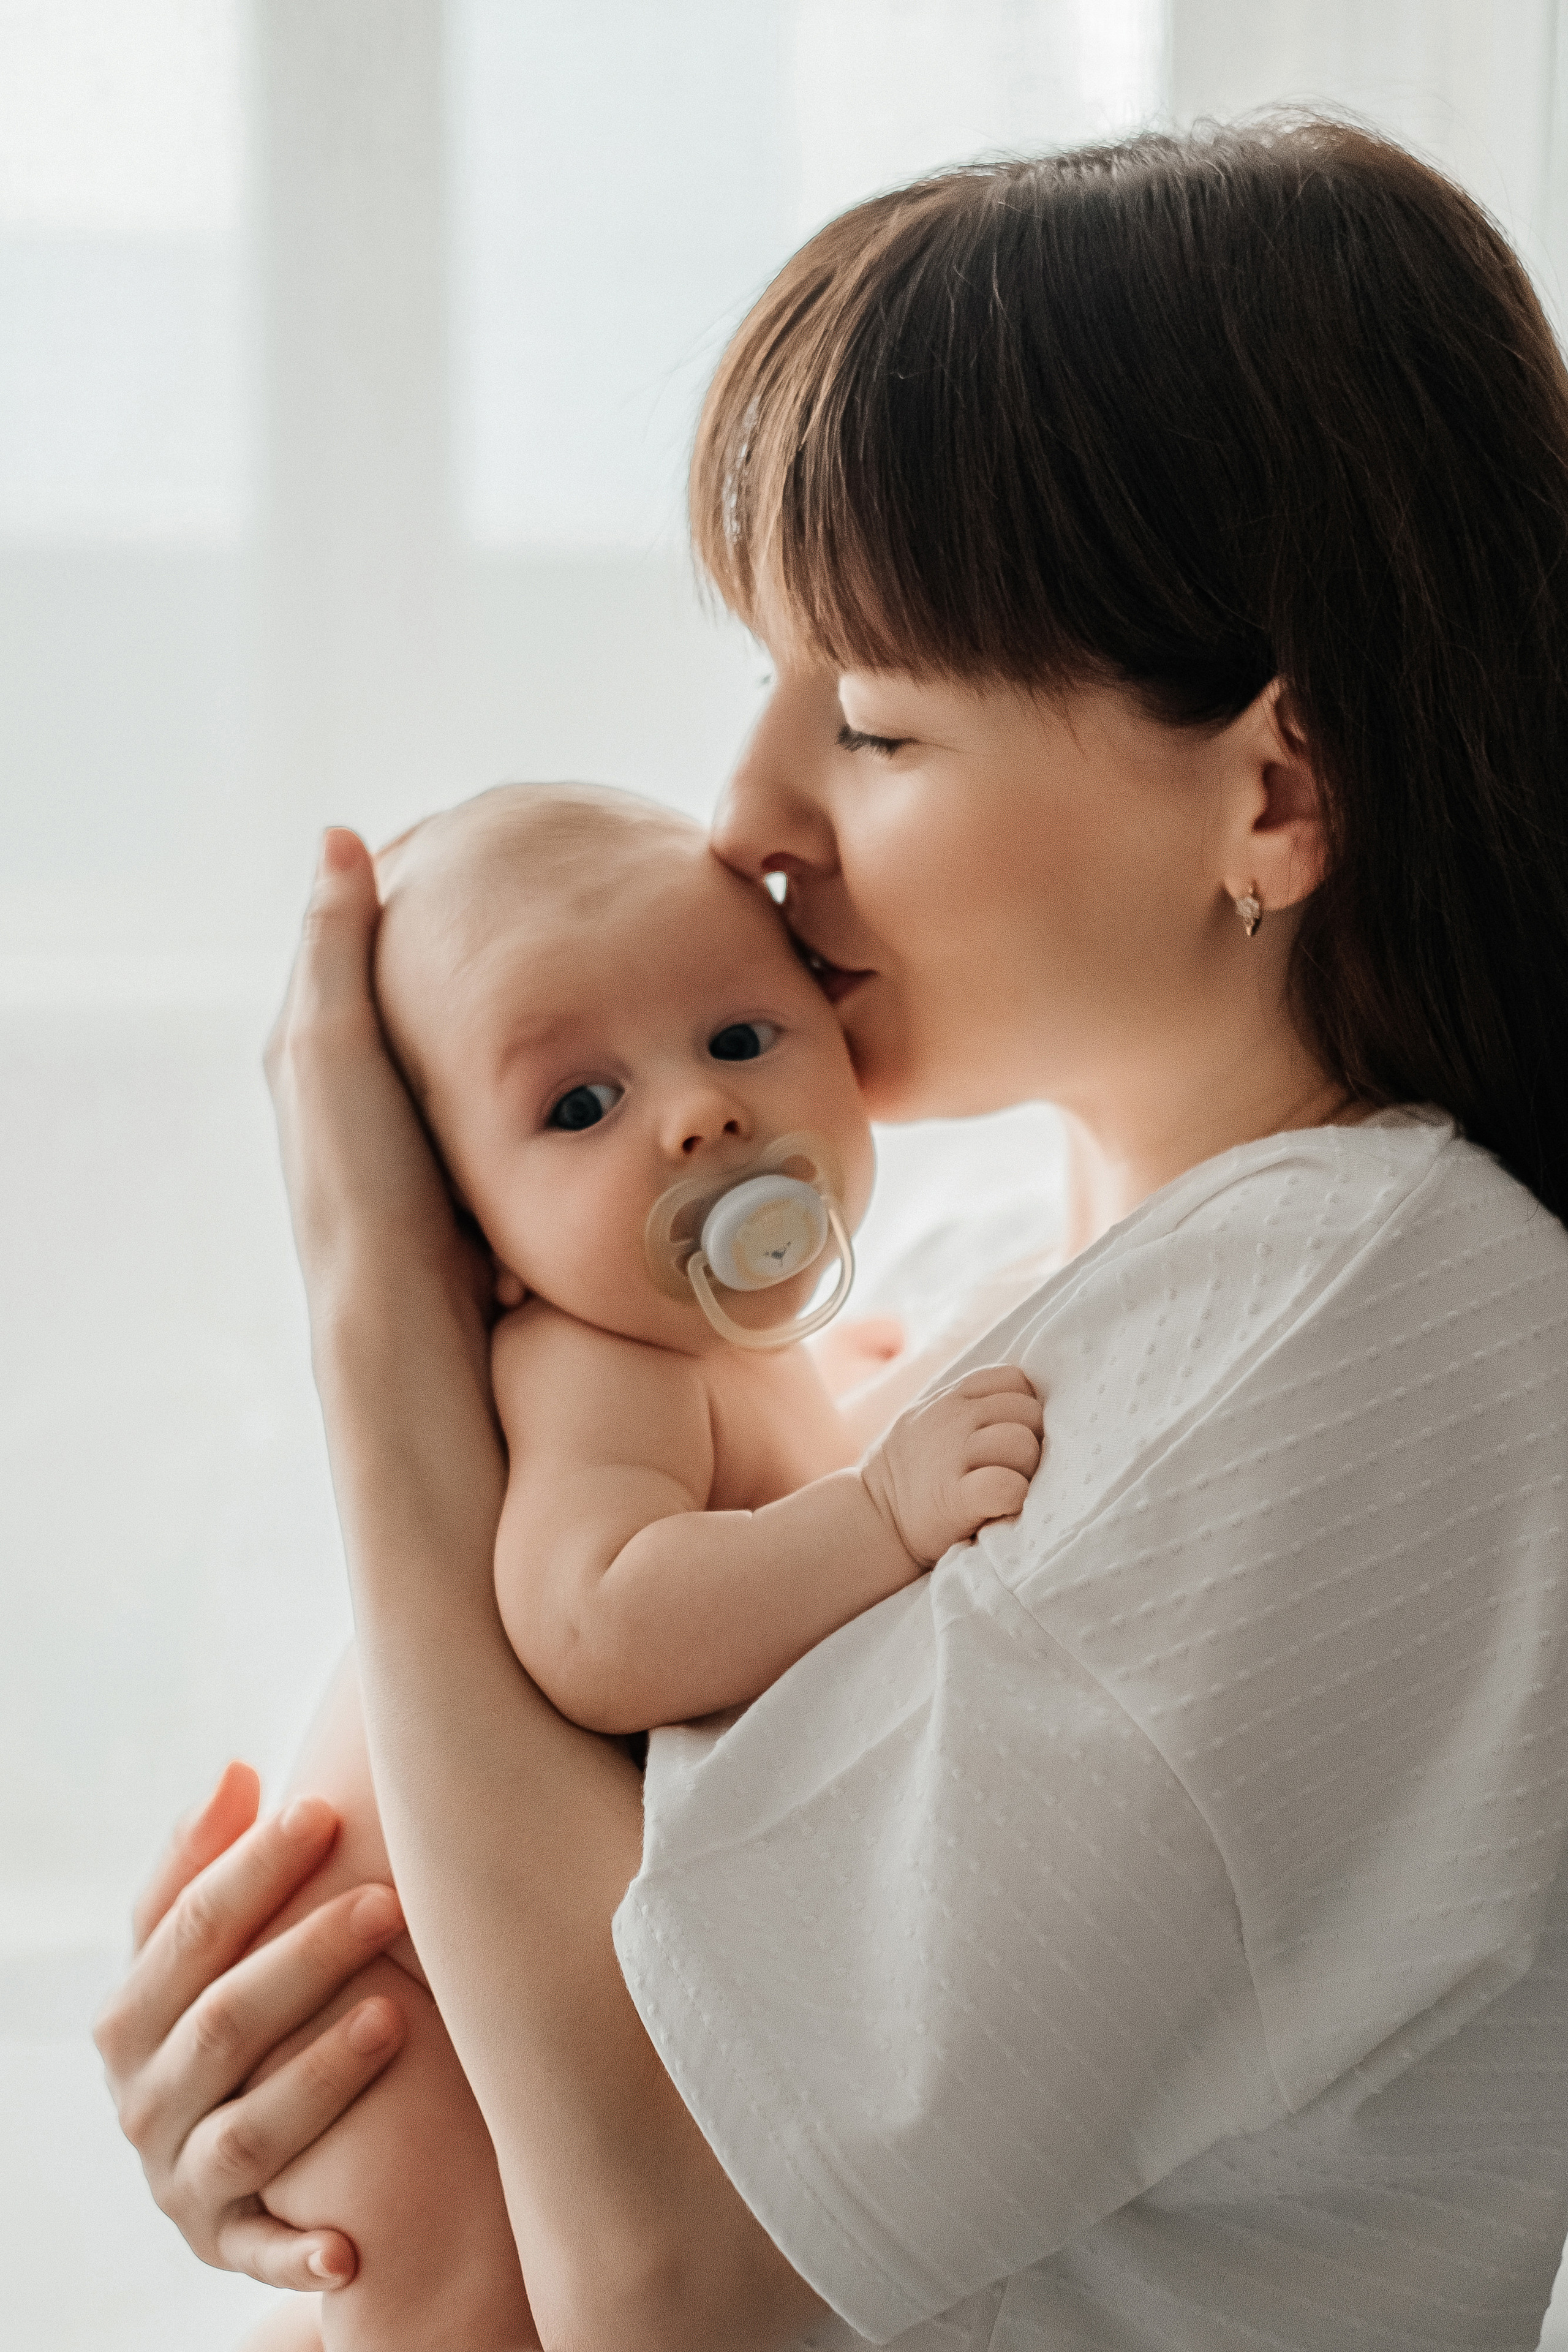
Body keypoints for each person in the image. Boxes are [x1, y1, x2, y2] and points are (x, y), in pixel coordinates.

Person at [95, 117, 1568, 2351]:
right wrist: (316, 2092)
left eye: (872, 719)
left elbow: (663, 2284)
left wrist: (387, 1321)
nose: (749, 823)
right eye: (771, 684)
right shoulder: (965, 1281)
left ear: (1272, 796)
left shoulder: (1377, 1329)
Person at [241, 778, 1042, 2351]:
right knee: (451, 2311)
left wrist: (845, 1424)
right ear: (467, 1237)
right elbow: (592, 1618)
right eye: (578, 1106)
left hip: (453, 2016)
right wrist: (869, 1518)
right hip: (405, 2028)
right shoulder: (591, 1365)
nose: (698, 1115)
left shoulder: (724, 1354)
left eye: (740, 1040)